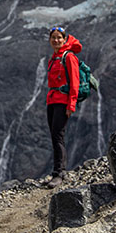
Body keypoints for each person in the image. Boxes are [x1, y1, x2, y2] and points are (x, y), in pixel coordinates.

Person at [45, 26, 81, 187]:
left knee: (58, 135)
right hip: (52, 101)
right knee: (54, 135)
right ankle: (57, 171)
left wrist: (71, 105)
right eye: (53, 37)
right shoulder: (54, 57)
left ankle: (59, 173)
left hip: (62, 101)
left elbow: (75, 82)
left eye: (59, 37)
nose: (56, 40)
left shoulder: (69, 57)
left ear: (64, 39)